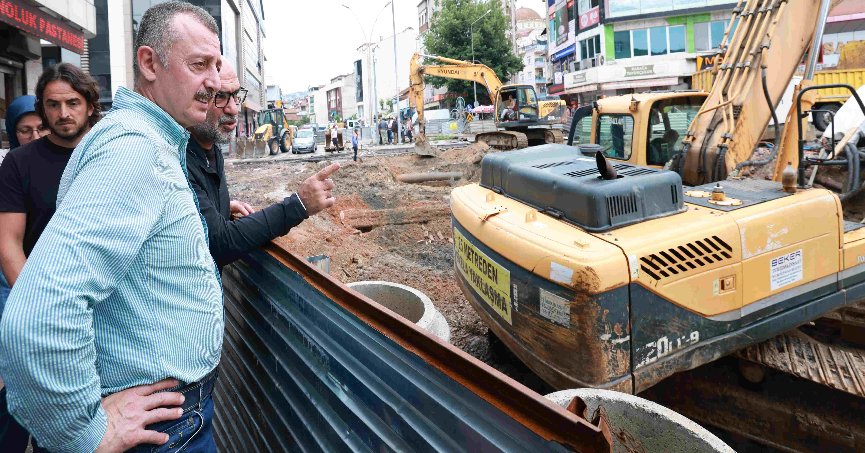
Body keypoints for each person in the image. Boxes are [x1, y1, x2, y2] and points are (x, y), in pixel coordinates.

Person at [2, 4, 326, 452]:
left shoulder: (155, 141)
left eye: (216, 65)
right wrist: (84, 435)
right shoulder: (136, 152)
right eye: (199, 64)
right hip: (163, 430)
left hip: (168, 418)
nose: (214, 81)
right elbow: (37, 315)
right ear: (149, 63)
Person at [187, 61, 338, 271]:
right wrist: (298, 205)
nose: (234, 108)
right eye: (220, 96)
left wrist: (219, 206)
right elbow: (219, 243)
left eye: (236, 95)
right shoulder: (180, 159)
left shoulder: (212, 149)